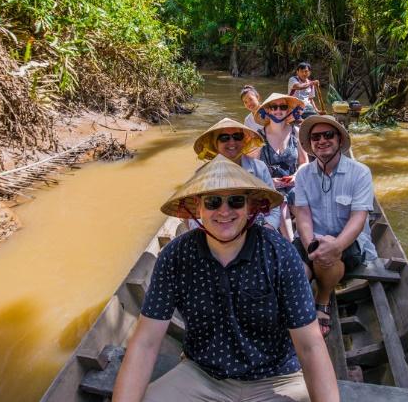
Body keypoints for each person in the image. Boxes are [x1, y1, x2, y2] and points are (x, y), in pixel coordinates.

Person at [112, 155, 339, 402]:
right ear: (197, 208)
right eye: (212, 202)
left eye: (235, 201)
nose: (224, 211)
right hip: (202, 374)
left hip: (277, 377)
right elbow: (145, 343)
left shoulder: (279, 254)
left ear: (250, 207)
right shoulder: (175, 257)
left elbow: (310, 346)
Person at [292, 115, 377, 338]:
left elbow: (358, 218)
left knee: (328, 256)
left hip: (349, 242)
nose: (322, 141)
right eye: (315, 137)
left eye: (328, 135)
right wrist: (311, 243)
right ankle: (298, 301)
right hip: (312, 238)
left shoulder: (360, 172)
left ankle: (323, 298)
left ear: (339, 139)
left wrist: (337, 245)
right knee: (295, 270)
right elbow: (302, 214)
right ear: (310, 144)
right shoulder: (303, 174)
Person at [193, 117, 281, 230]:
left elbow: (274, 207)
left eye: (237, 137)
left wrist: (267, 228)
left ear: (244, 141)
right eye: (224, 138)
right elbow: (194, 214)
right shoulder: (202, 174)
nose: (232, 142)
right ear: (216, 143)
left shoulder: (259, 168)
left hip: (258, 227)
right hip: (217, 230)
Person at [253, 93, 308, 240]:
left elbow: (305, 162)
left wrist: (296, 176)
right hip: (268, 186)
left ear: (288, 110)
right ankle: (290, 243)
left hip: (293, 183)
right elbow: (252, 169)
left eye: (283, 107)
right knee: (281, 202)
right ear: (268, 111)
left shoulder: (295, 132)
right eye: (274, 107)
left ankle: (306, 238)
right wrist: (271, 181)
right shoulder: (259, 137)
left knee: (300, 199)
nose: (278, 110)